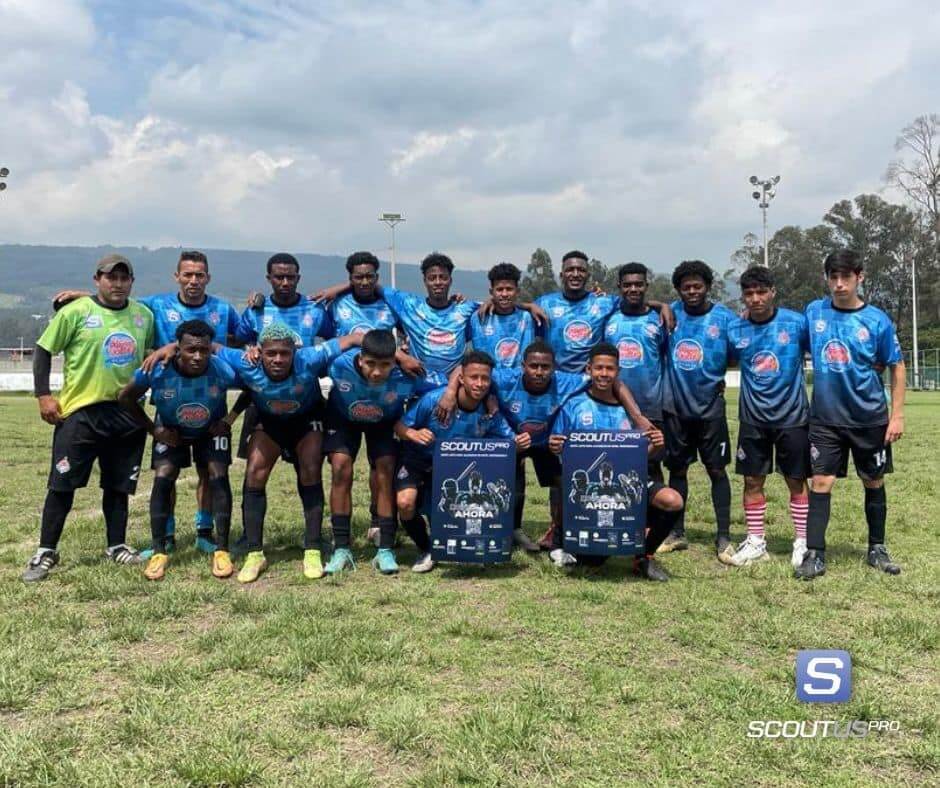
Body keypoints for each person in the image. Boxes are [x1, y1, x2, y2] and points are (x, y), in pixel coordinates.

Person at [51, 250, 242, 555]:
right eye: (188, 274)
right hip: (170, 404)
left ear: (208, 277)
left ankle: (205, 532)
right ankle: (164, 536)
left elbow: (243, 338)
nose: (193, 280)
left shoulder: (224, 308)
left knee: (210, 471)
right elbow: (118, 303)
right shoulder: (156, 305)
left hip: (210, 406)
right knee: (166, 474)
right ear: (176, 276)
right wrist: (87, 296)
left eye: (200, 275)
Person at [23, 254, 154, 582]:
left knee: (118, 486)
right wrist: (43, 395)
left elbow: (153, 353)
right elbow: (42, 350)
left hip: (127, 415)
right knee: (62, 484)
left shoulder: (143, 316)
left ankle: (117, 546)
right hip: (81, 413)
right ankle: (45, 551)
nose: (118, 284)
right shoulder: (76, 312)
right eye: (112, 278)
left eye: (124, 278)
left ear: (132, 283)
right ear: (97, 280)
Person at [795, 249, 905, 580]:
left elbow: (897, 366)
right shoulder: (814, 313)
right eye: (833, 277)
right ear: (826, 278)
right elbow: (794, 346)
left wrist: (897, 416)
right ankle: (815, 554)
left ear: (860, 277)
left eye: (846, 277)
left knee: (873, 479)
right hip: (826, 418)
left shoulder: (877, 320)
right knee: (821, 481)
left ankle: (877, 548)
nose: (839, 284)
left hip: (869, 417)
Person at [547, 343, 680, 581]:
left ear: (618, 372)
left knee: (672, 501)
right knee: (591, 562)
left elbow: (639, 456)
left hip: (627, 483)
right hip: (590, 492)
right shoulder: (574, 406)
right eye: (599, 368)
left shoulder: (630, 410)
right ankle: (567, 542)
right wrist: (555, 447)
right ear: (589, 369)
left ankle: (643, 557)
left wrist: (656, 445)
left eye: (610, 369)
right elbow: (562, 454)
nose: (604, 374)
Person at [118, 320, 239, 580]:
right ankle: (161, 548)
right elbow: (125, 397)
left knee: (218, 475)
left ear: (210, 349)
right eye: (190, 350)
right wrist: (155, 430)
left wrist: (229, 420)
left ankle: (220, 547)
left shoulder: (224, 370)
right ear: (177, 349)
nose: (197, 356)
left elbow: (253, 386)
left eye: (204, 350)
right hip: (171, 430)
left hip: (210, 430)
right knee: (163, 478)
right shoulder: (157, 370)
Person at [323, 329, 445, 575]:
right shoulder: (339, 365)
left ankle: (386, 549)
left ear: (394, 361)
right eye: (370, 364)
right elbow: (301, 364)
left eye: (385, 365)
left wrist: (452, 392)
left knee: (386, 472)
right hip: (343, 418)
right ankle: (342, 548)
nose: (377, 372)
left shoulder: (408, 374)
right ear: (360, 359)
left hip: (384, 422)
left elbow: (453, 379)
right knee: (340, 469)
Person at [315, 252, 547, 375]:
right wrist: (339, 289)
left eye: (443, 277)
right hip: (419, 382)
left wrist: (527, 306)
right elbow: (368, 284)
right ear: (424, 281)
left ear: (450, 280)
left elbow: (501, 299)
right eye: (432, 278)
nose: (438, 282)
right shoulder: (408, 303)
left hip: (455, 383)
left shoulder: (465, 307)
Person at [393, 350, 519, 573]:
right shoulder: (435, 400)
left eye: (485, 378)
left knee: (454, 509)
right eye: (474, 377)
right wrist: (414, 434)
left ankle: (463, 546)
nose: (480, 384)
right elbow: (400, 426)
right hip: (418, 458)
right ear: (461, 378)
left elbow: (510, 442)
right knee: (405, 503)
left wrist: (522, 441)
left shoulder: (490, 409)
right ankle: (427, 548)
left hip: (452, 470)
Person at [726, 266, 811, 568]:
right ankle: (756, 541)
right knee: (752, 480)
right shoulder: (736, 329)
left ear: (773, 291)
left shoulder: (797, 323)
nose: (756, 299)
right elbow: (724, 358)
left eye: (761, 292)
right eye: (749, 293)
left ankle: (802, 542)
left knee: (796, 480)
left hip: (793, 418)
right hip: (752, 419)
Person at [660, 260, 737, 561]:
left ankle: (723, 537)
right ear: (678, 289)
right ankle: (677, 532)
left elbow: (734, 358)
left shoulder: (725, 319)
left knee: (716, 470)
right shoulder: (669, 314)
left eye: (697, 286)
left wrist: (714, 380)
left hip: (710, 410)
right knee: (677, 470)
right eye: (686, 287)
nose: (692, 291)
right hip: (676, 409)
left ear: (708, 286)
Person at [469, 263, 537, 368]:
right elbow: (481, 358)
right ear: (491, 292)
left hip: (518, 380)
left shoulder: (525, 318)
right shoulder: (479, 318)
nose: (504, 294)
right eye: (499, 289)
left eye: (509, 289)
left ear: (517, 291)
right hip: (487, 380)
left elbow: (526, 357)